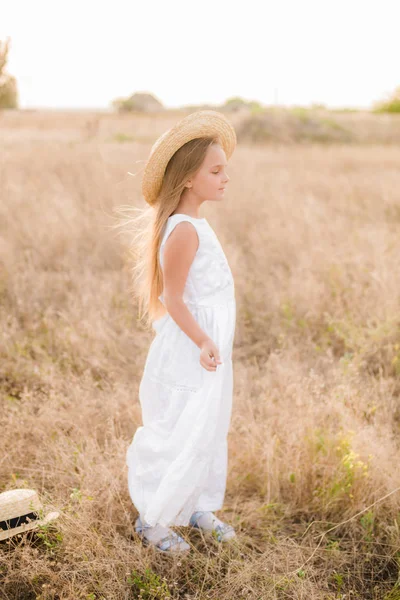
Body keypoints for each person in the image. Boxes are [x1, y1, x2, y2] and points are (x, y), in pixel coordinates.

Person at [124, 110, 237, 553]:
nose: (226, 177)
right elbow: (173, 300)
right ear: (189, 178)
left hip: (208, 350)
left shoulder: (198, 224)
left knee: (207, 427)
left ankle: (195, 504)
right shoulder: (184, 231)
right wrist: (205, 340)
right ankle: (152, 517)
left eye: (226, 168)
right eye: (216, 170)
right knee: (178, 429)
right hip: (192, 349)